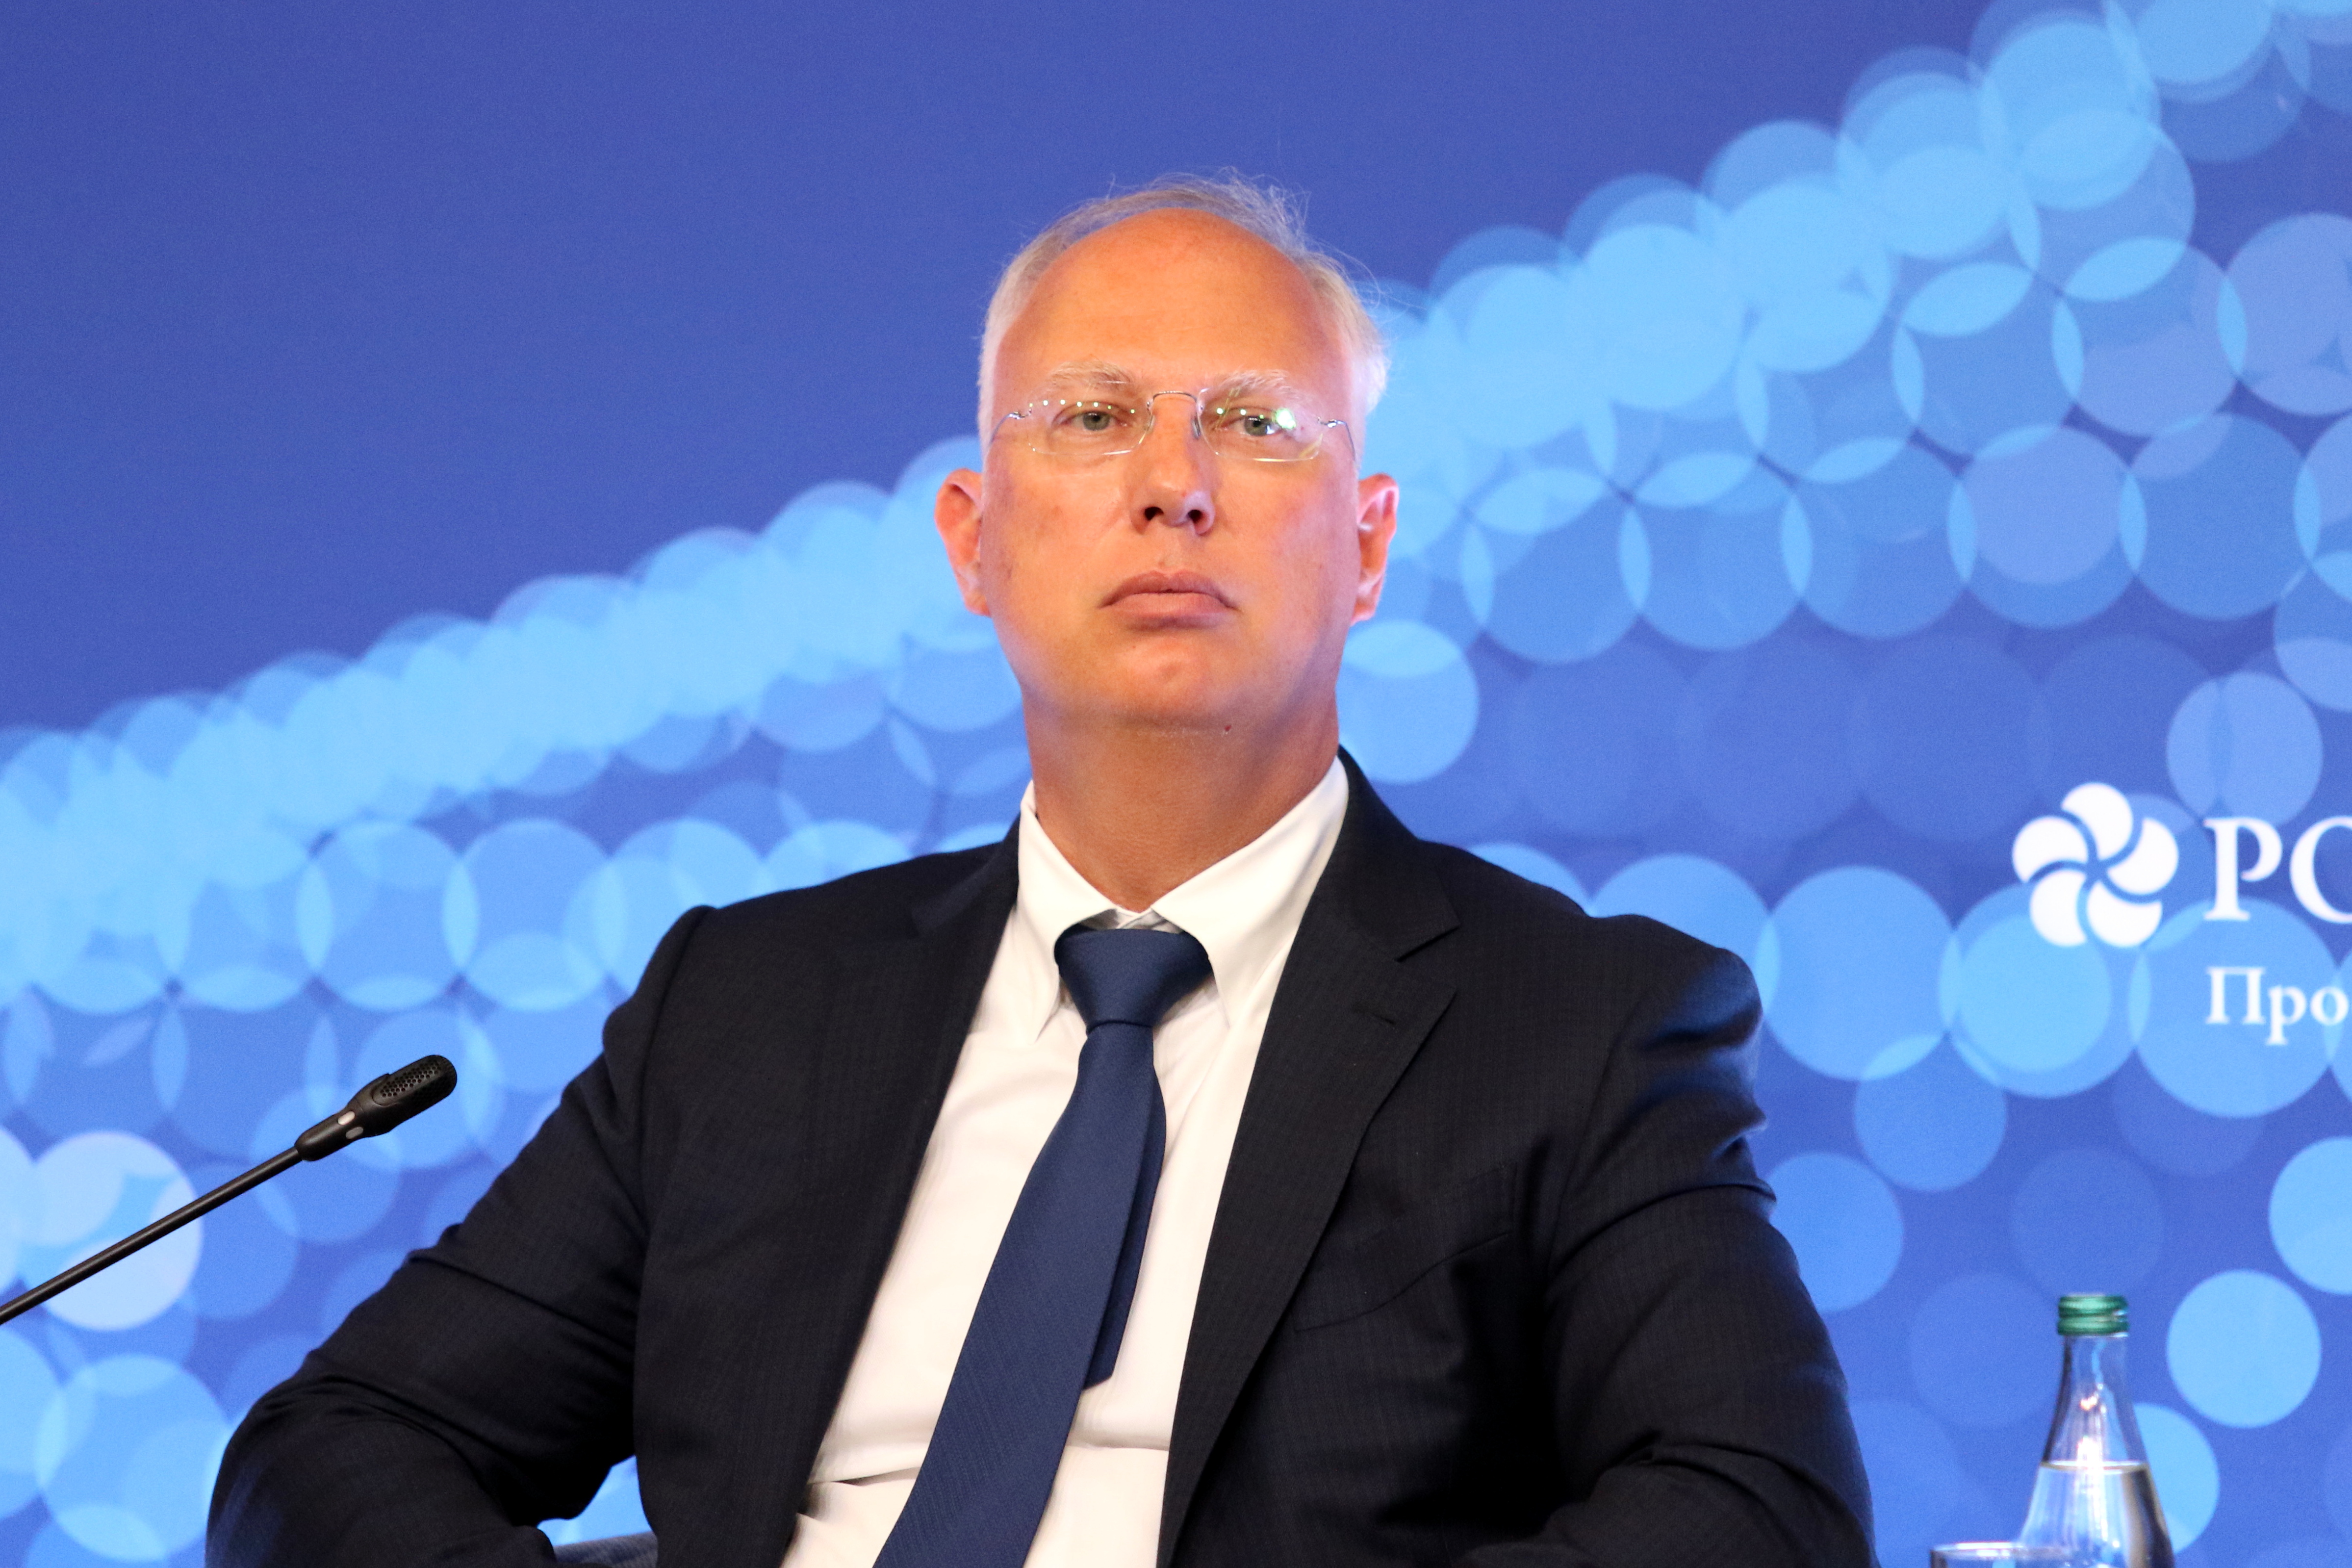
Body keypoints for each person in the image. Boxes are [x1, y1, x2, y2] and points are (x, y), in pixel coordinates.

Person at [208, 175, 1873, 1568]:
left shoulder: (1571, 1025)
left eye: (1254, 425)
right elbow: (339, 1447)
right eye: (1092, 418)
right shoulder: (751, 1007)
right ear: (973, 541)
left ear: (1365, 548)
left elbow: (1756, 1512)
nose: (1174, 487)